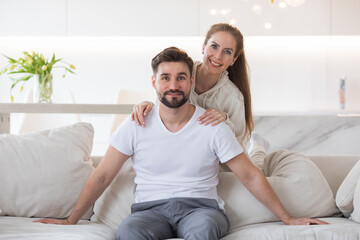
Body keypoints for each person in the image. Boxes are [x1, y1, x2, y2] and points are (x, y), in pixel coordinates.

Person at [34, 47, 327, 240]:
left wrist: (288, 219)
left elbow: (250, 174)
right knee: (128, 232)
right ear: (154, 83)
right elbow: (102, 174)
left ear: (190, 82)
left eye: (181, 78)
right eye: (166, 78)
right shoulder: (136, 123)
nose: (173, 84)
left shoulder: (213, 126)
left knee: (204, 230)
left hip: (202, 211)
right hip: (149, 212)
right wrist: (71, 220)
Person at [131, 23, 266, 169]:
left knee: (259, 169)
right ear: (203, 47)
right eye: (214, 46)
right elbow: (165, 109)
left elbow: (235, 146)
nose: (218, 56)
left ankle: (258, 148)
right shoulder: (181, 74)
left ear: (233, 59)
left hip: (216, 161)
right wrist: (148, 105)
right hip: (183, 156)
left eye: (227, 52)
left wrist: (225, 121)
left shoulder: (233, 98)